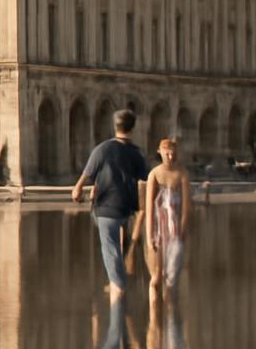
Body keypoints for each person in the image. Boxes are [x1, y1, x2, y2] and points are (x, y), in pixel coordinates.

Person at [71, 109, 149, 299]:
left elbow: (84, 178)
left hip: (105, 206)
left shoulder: (102, 149)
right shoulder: (136, 153)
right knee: (118, 241)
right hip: (127, 207)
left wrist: (79, 190)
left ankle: (118, 284)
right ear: (132, 128)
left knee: (109, 245)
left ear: (115, 126)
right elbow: (146, 179)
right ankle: (120, 273)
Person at [143, 137, 191, 292]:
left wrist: (183, 230)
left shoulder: (181, 174)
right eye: (167, 154)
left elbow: (186, 205)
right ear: (160, 153)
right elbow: (149, 206)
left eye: (173, 154)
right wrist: (149, 236)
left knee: (172, 273)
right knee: (156, 276)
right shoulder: (154, 174)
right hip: (158, 227)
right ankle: (155, 310)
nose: (170, 157)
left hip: (175, 228)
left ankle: (170, 307)